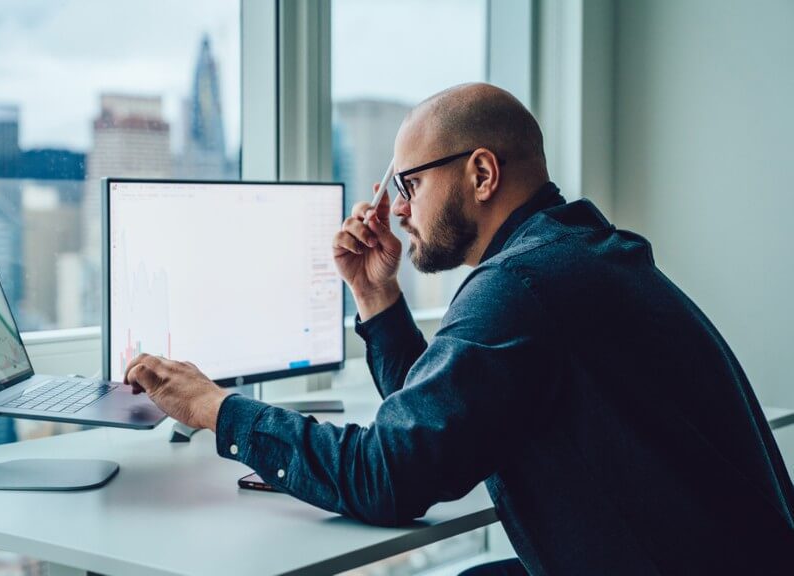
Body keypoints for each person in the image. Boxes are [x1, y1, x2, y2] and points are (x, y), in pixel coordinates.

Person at [123, 83, 794, 575]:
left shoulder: (518, 287)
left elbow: (391, 479)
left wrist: (214, 408)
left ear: (479, 172)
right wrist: (376, 296)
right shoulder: (578, 253)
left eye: (408, 184)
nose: (399, 212)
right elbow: (442, 423)